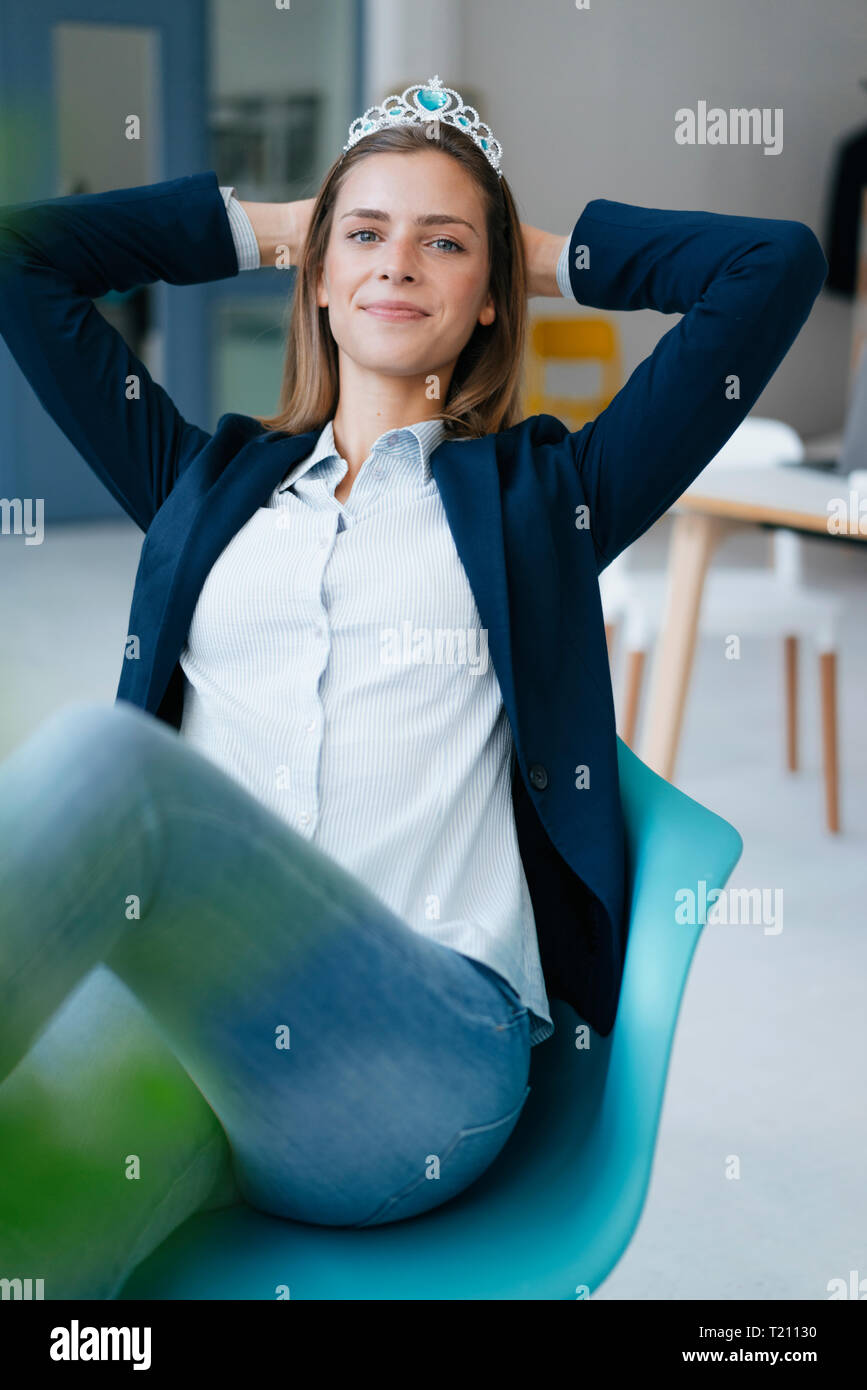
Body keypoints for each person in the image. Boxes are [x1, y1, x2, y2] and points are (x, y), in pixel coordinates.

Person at [0, 77, 827, 1299]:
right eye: (366, 236)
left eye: (446, 244)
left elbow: (774, 267)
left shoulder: (542, 503)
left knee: (109, 767)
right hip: (194, 1046)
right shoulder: (202, 483)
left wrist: (529, 245)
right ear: (317, 277)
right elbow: (23, 257)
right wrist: (280, 224)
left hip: (413, 1062)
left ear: (492, 294)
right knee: (32, 1234)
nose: (398, 264)